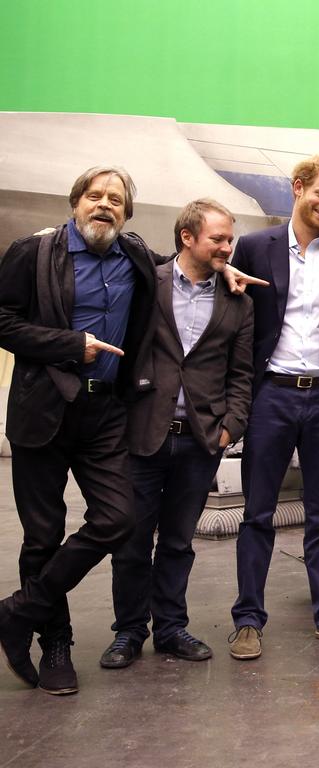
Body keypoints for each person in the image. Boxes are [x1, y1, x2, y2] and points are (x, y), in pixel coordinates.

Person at [0, 167, 162, 694]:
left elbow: (178, 269)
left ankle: (18, 610)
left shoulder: (134, 255)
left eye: (116, 200)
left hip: (105, 413)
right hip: (42, 410)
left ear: (127, 213)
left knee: (119, 518)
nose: (104, 205)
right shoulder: (34, 252)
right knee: (42, 535)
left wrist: (222, 268)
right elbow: (2, 321)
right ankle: (56, 646)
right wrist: (72, 345)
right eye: (95, 196)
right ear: (76, 202)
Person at [229, 155, 319, 659]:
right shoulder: (252, 247)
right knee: (257, 513)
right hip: (271, 394)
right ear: (298, 188)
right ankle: (248, 620)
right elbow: (239, 317)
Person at [100, 199, 254, 669]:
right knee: (131, 541)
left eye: (231, 239)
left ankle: (170, 628)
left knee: (177, 542)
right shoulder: (149, 283)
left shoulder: (239, 301)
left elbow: (242, 375)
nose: (228, 247)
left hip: (200, 440)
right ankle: (129, 632)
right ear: (187, 237)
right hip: (142, 434)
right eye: (218, 239)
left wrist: (231, 426)